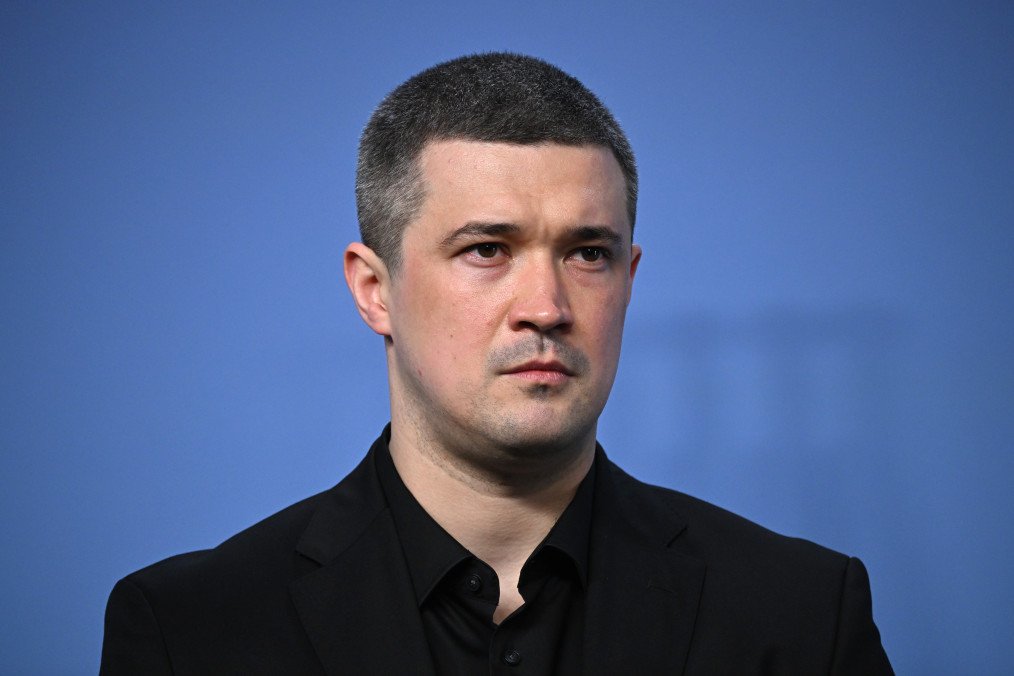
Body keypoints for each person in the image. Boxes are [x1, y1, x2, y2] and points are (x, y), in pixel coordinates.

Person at [100, 52, 892, 675]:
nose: (546, 306)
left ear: (629, 281)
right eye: (487, 249)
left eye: (588, 253)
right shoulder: (189, 629)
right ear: (374, 290)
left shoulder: (800, 615)